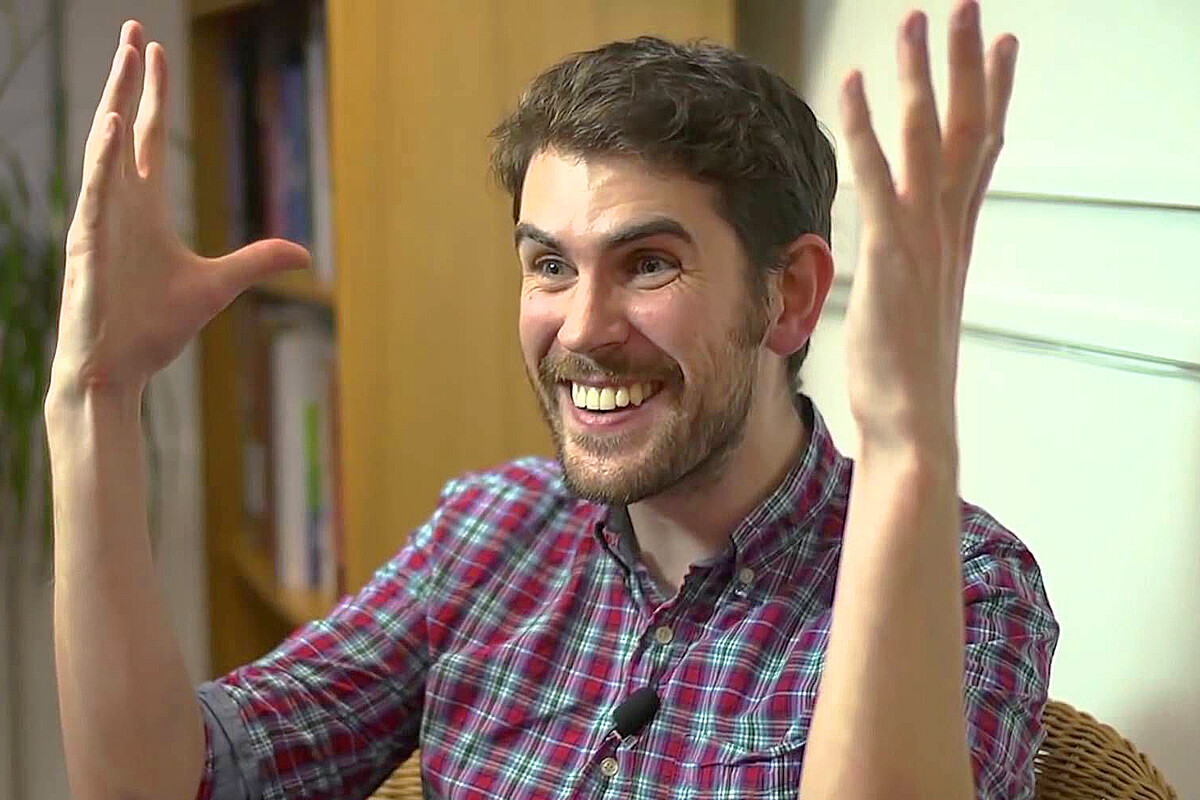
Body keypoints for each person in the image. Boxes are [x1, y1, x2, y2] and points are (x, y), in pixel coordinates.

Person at [45, 2, 1057, 799]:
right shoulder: (492, 532)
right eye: (550, 265)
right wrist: (94, 396)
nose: (581, 329)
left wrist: (905, 437)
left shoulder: (967, 584)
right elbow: (168, 778)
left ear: (788, 295)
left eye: (648, 263)